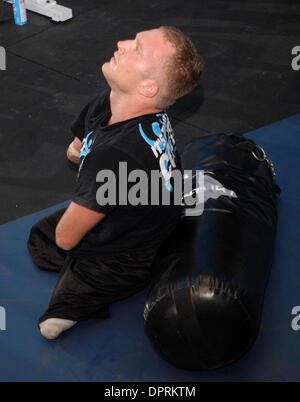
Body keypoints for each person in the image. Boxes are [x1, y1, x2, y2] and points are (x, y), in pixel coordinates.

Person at [27, 26, 203, 340]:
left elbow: (66, 239)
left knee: (52, 320)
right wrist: (84, 160)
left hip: (128, 255)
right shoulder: (116, 102)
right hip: (145, 207)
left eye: (136, 48)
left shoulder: (117, 155)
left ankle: (106, 284)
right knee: (39, 238)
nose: (121, 44)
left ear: (149, 88)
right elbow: (78, 148)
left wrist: (90, 188)